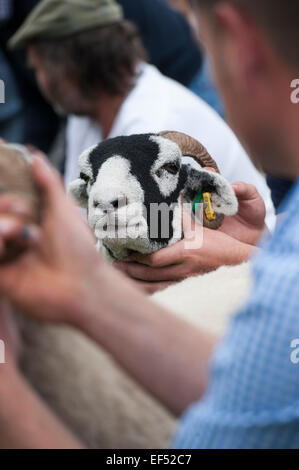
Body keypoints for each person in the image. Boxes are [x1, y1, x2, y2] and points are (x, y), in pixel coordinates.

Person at [0, 0, 298, 448]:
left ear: (239, 42)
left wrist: (7, 399)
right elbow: (257, 388)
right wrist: (87, 291)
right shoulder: (92, 123)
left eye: (40, 70)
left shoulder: (153, 130)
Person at [7, 0, 275, 292]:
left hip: (233, 277)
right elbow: (86, 218)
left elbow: (158, 242)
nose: (39, 82)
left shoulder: (155, 130)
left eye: (40, 70)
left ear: (70, 72)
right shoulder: (86, 116)